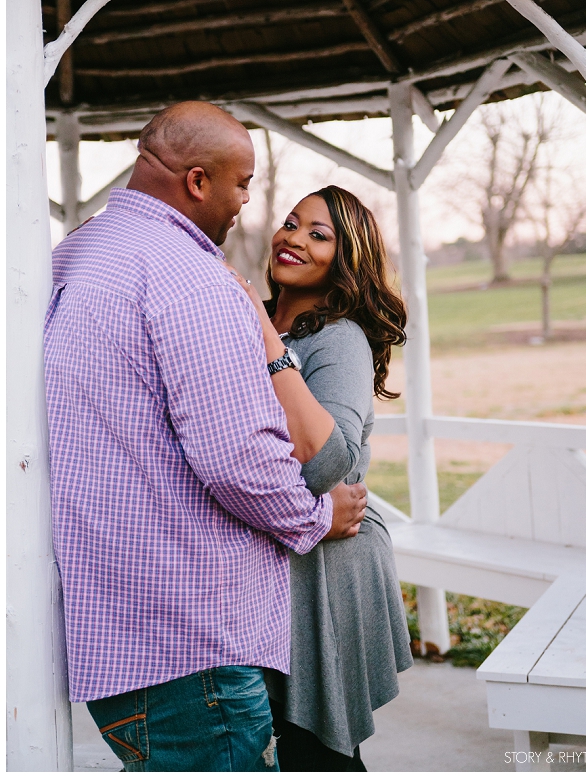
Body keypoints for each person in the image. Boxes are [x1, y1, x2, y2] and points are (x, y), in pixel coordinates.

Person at [43, 102, 367, 773]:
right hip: (192, 647)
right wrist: (313, 514)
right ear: (197, 181)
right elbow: (239, 460)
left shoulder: (76, 253)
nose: (247, 201)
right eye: (242, 183)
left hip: (118, 631)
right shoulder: (191, 279)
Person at [226, 185, 413, 771]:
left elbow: (331, 465)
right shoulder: (238, 320)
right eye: (290, 223)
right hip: (270, 553)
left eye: (318, 234)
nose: (293, 239)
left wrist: (264, 335)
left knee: (316, 747)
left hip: (330, 562)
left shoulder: (340, 339)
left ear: (345, 259)